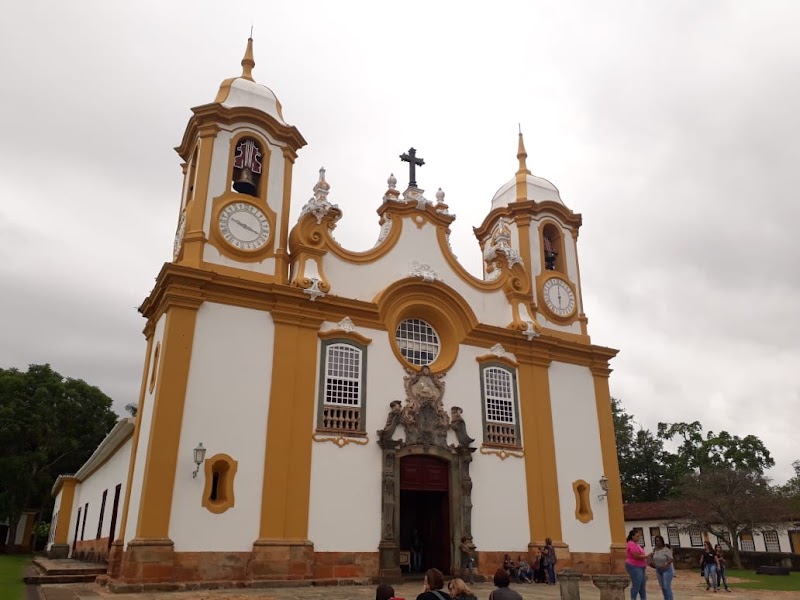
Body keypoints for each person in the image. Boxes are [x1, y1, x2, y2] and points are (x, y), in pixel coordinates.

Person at [626, 529, 652, 600]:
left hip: (641, 567)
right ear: (632, 536)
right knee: (636, 585)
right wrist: (647, 556)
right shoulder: (631, 544)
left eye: (639, 536)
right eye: (637, 536)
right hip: (634, 566)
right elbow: (636, 556)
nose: (639, 538)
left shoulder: (636, 544)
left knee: (642, 586)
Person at [649, 535, 674, 600]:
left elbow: (671, 559)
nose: (657, 542)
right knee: (662, 587)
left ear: (662, 541)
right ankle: (666, 598)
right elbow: (653, 559)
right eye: (656, 541)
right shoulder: (655, 550)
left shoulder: (666, 549)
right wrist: (652, 562)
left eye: (658, 541)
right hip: (658, 570)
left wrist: (667, 563)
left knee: (666, 586)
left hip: (667, 570)